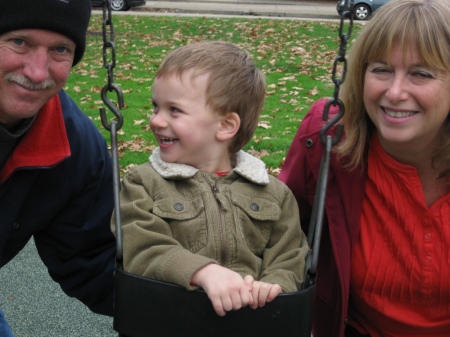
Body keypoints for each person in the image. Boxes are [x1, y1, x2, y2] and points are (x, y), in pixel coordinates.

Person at [278, 0, 450, 336]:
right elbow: (276, 232)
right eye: (381, 69)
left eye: (421, 73)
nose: (395, 92)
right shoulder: (328, 139)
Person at [112, 41, 308, 317]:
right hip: (170, 318)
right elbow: (142, 247)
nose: (156, 120)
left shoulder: (274, 194)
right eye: (156, 107)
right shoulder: (142, 183)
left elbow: (289, 255)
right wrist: (202, 272)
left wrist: (274, 286)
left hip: (251, 321)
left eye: (174, 110)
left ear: (225, 126)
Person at [0, 0, 116, 334]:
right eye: (20, 42)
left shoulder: (75, 148)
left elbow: (92, 261)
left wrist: (189, 297)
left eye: (60, 49)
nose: (38, 71)